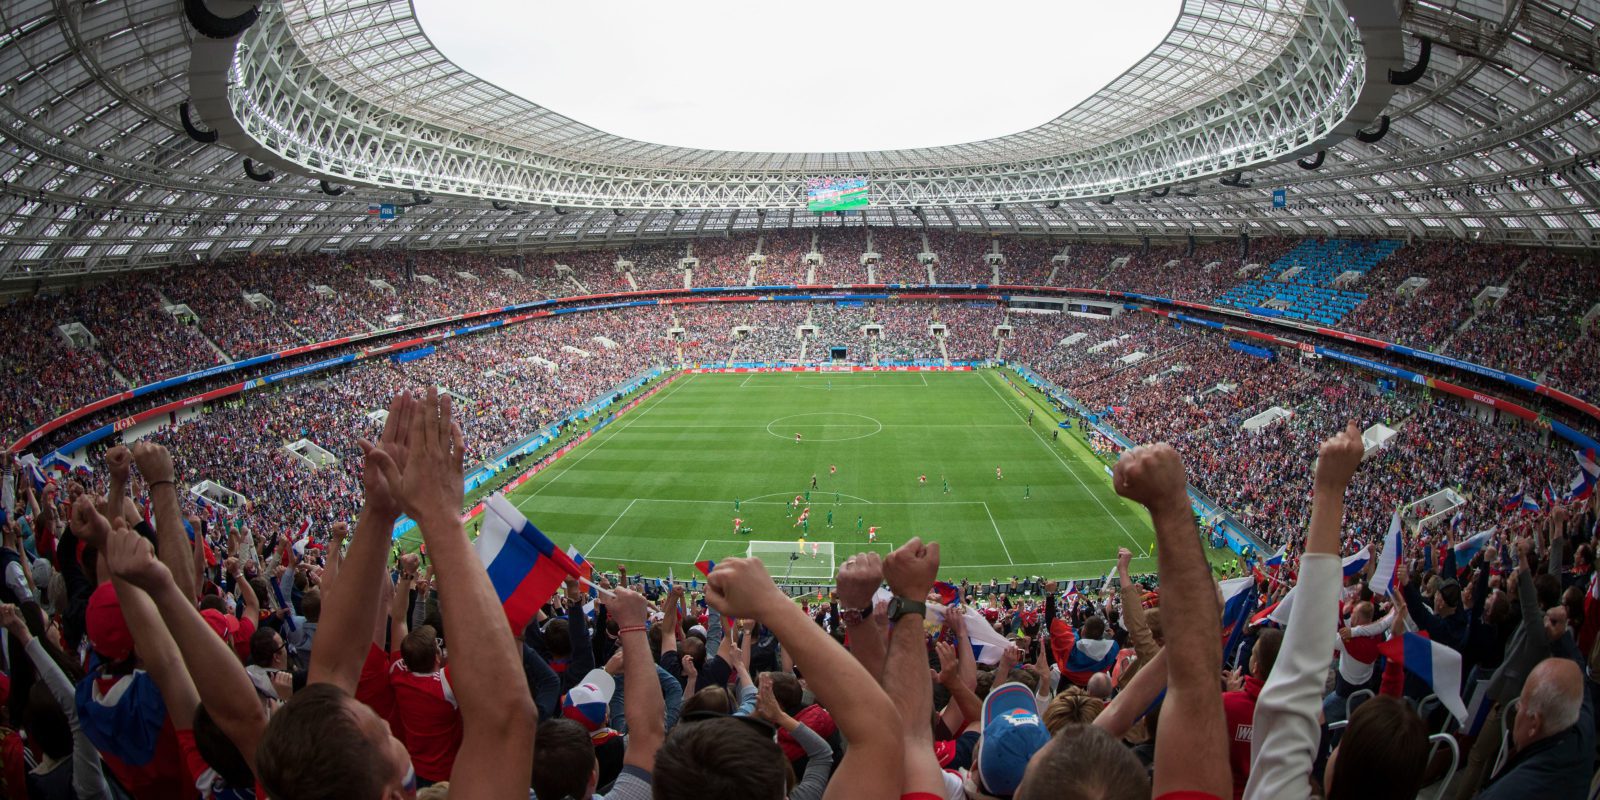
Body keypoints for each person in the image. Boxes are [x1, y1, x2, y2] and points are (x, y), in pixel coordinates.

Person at [258, 389, 535, 799]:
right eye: (384, 733)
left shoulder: (291, 780)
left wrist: (380, 510)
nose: (390, 728)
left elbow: (332, 671)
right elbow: (508, 719)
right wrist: (441, 516)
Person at [1477, 656, 1593, 799]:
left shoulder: (1508, 792)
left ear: (1534, 724)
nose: (1517, 711)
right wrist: (1560, 639)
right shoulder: (1583, 736)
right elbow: (1583, 689)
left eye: (1519, 707)